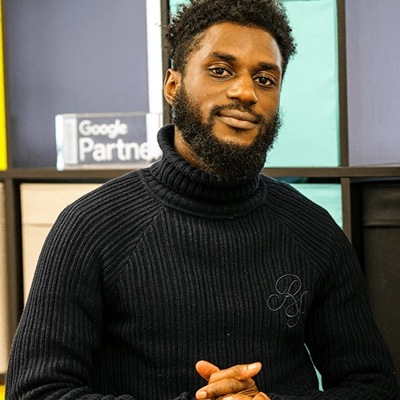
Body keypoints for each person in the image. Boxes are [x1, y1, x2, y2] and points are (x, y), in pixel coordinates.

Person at [5, 0, 400, 399]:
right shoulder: (91, 225)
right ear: (173, 86)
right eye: (220, 70)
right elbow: (36, 390)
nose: (245, 91)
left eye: (265, 79)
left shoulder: (313, 231)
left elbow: (374, 386)